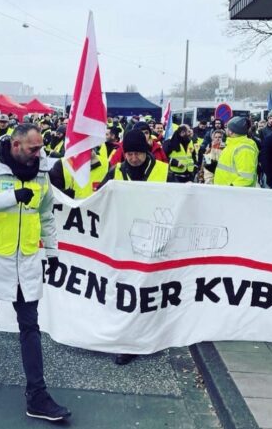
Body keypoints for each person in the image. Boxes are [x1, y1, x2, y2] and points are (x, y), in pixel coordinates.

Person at [0, 123, 71, 422]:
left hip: (25, 260)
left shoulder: (42, 170)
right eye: (33, 149)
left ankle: (37, 394)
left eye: (40, 148)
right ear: (16, 146)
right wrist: (11, 197)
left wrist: (53, 252)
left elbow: (46, 213)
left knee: (30, 325)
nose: (39, 153)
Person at [101, 128, 168, 365]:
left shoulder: (163, 171)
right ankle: (126, 340)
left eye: (138, 153)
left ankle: (144, 337)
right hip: (124, 242)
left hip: (156, 243)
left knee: (147, 291)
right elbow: (99, 200)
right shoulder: (116, 171)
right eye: (129, 153)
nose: (133, 158)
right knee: (126, 291)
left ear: (146, 151)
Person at [214, 116, 259, 187]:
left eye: (227, 128)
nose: (225, 129)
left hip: (232, 195)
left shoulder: (245, 149)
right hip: (224, 192)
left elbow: (246, 178)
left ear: (231, 132)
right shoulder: (232, 144)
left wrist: (231, 188)